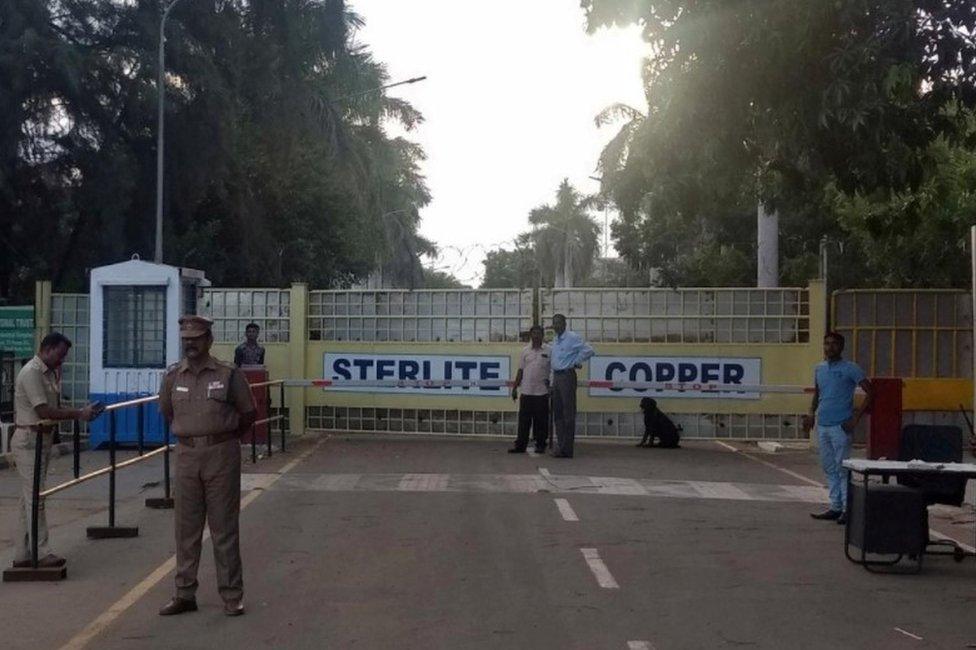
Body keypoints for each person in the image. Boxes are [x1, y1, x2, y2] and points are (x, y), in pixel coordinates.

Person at [158, 316, 257, 617]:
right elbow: (167, 412)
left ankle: (231, 595)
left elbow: (248, 413)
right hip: (187, 456)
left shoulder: (228, 374)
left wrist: (223, 437)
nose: (190, 343)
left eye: (196, 337)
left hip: (221, 454)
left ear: (209, 340)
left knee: (223, 527)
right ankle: (184, 593)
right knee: (185, 528)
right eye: (186, 338)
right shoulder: (173, 377)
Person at [11, 332, 98, 568]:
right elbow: (44, 411)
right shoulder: (31, 373)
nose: (62, 360)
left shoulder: (49, 373)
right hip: (30, 439)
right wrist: (79, 414)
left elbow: (55, 407)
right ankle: (41, 551)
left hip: (41, 440)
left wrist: (81, 410)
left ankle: (23, 552)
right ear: (47, 349)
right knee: (35, 498)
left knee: (28, 498)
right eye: (60, 355)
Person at [803, 331, 874, 526]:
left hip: (841, 426)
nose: (830, 347)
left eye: (834, 344)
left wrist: (855, 419)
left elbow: (871, 392)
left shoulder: (851, 368)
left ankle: (847, 509)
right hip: (823, 424)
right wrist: (810, 413)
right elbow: (818, 393)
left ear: (841, 347)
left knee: (843, 468)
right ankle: (835, 506)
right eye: (826, 344)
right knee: (829, 467)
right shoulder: (819, 368)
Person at [549, 313, 594, 458]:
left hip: (567, 376)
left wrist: (575, 362)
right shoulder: (555, 339)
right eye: (554, 323)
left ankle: (567, 449)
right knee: (558, 414)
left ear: (564, 324)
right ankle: (561, 446)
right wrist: (551, 381)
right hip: (556, 376)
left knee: (568, 414)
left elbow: (589, 350)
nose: (556, 326)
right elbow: (554, 362)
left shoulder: (572, 337)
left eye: (559, 323)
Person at [509, 325, 551, 454]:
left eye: (539, 333)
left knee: (541, 421)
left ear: (543, 335)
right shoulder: (525, 351)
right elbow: (520, 370)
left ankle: (540, 445)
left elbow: (553, 369)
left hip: (542, 392)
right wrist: (515, 388)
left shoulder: (549, 350)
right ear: (530, 335)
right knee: (524, 421)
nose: (536, 336)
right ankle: (520, 445)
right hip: (526, 391)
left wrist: (551, 385)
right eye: (534, 333)